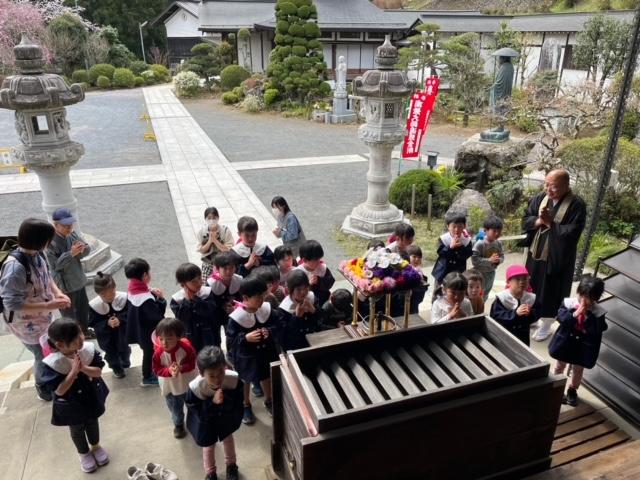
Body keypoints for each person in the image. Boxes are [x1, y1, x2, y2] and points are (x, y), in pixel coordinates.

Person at [0, 218, 71, 401]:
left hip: (42, 316)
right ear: (40, 241)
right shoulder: (15, 268)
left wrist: (57, 293)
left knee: (49, 347)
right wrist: (48, 305)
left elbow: (47, 277)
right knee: (41, 354)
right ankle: (43, 387)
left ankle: (52, 376)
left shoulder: (38, 255)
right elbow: (11, 303)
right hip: (25, 323)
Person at [523, 169, 587, 341]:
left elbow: (573, 231)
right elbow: (527, 217)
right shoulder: (540, 198)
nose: (548, 189)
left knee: (551, 292)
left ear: (566, 186)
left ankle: (547, 324)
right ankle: (533, 316)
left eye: (554, 187)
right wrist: (538, 221)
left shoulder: (576, 205)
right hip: (535, 254)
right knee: (531, 286)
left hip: (557, 258)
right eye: (546, 184)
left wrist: (551, 223)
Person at [40, 318, 110, 473]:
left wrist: (83, 367)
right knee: (77, 428)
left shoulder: (87, 350)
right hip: (71, 403)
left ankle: (96, 446)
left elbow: (98, 372)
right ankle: (83, 453)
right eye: (75, 338)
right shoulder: (53, 363)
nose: (81, 339)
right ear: (59, 345)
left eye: (80, 333)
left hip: (90, 395)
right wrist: (73, 372)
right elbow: (59, 391)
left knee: (92, 421)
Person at [226, 276, 279, 424]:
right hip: (246, 356)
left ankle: (269, 400)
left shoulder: (266, 310)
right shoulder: (236, 318)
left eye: (263, 296)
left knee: (266, 376)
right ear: (245, 298)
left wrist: (270, 331)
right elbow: (231, 340)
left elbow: (278, 324)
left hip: (265, 352)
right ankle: (245, 404)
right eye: (258, 298)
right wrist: (245, 338)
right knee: (245, 380)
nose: (262, 300)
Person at [549, 275, 607, 407]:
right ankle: (556, 386)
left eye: (590, 299)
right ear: (578, 293)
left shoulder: (598, 312)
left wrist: (587, 317)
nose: (585, 301)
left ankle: (572, 390)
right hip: (565, 342)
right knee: (559, 365)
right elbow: (561, 317)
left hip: (583, 346)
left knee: (578, 369)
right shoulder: (569, 303)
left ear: (596, 299)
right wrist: (574, 314)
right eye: (582, 296)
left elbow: (598, 329)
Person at [186, 346, 242, 480]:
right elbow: (196, 411)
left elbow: (238, 401)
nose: (217, 379)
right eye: (211, 375)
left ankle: (231, 465)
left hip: (225, 418)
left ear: (225, 367)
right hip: (206, 422)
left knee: (228, 439)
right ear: (201, 373)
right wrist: (212, 402)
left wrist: (225, 399)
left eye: (221, 373)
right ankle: (211, 472)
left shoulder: (233, 380)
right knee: (208, 446)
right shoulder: (195, 388)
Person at [45, 208, 93, 337]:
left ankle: (85, 331)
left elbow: (86, 250)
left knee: (83, 309)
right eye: (65, 225)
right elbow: (55, 266)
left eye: (70, 224)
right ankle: (72, 336)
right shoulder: (50, 243)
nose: (69, 227)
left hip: (78, 279)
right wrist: (71, 253)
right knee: (68, 314)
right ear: (55, 225)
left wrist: (83, 249)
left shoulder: (72, 234)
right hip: (64, 285)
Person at [152, 317, 198, 439]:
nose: (164, 343)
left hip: (187, 384)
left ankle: (194, 424)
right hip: (171, 387)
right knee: (175, 409)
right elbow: (156, 369)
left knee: (193, 406)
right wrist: (168, 371)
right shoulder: (158, 354)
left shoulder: (186, 348)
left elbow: (192, 363)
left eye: (169, 338)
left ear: (178, 336)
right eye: (161, 339)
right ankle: (178, 425)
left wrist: (181, 368)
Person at [124, 257, 166, 387]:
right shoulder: (145, 299)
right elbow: (157, 316)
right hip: (148, 333)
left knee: (147, 352)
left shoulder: (133, 289)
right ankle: (147, 377)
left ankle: (149, 374)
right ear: (144, 275)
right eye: (149, 272)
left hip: (138, 331)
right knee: (149, 354)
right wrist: (160, 299)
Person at [88, 272, 130, 379]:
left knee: (125, 350)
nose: (109, 297)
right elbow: (93, 322)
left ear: (115, 288)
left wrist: (120, 319)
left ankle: (125, 361)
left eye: (112, 293)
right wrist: (107, 323)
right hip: (107, 336)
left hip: (122, 333)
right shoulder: (94, 306)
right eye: (104, 295)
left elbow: (130, 314)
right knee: (111, 354)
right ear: (98, 293)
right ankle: (117, 368)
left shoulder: (123, 298)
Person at [170, 263, 220, 352]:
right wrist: (187, 301)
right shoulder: (177, 300)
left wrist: (196, 299)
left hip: (210, 334)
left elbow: (210, 311)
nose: (199, 283)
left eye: (199, 278)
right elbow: (182, 318)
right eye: (194, 281)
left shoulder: (207, 292)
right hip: (191, 336)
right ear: (183, 285)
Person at [490, 265, 540, 347]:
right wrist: (515, 313)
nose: (522, 282)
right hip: (505, 335)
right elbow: (496, 316)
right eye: (517, 279)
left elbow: (537, 313)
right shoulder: (502, 298)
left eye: (525, 278)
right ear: (509, 282)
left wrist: (530, 313)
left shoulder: (530, 298)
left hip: (523, 336)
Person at [431, 211, 473, 302]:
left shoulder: (466, 240)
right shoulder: (444, 238)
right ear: (448, 226)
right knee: (438, 292)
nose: (456, 229)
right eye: (454, 226)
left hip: (458, 271)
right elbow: (441, 253)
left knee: (456, 291)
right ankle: (435, 307)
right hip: (442, 272)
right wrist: (450, 247)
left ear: (464, 226)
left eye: (460, 226)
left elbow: (468, 254)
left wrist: (460, 247)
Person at [278, 270, 323, 351]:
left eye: (305, 288)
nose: (303, 292)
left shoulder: (311, 297)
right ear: (290, 290)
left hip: (315, 342)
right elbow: (284, 338)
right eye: (298, 289)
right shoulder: (283, 309)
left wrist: (313, 311)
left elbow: (321, 321)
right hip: (296, 347)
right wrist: (296, 317)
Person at [197, 207, 234, 282]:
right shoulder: (201, 232)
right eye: (209, 218)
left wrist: (215, 241)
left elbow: (227, 249)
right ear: (205, 219)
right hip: (208, 263)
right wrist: (210, 241)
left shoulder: (225, 230)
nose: (212, 220)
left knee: (223, 283)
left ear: (218, 218)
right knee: (207, 284)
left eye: (214, 218)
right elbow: (201, 250)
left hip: (223, 264)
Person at [471, 215, 504, 301]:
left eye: (499, 231)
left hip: (491, 273)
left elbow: (502, 256)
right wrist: (489, 260)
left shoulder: (498, 243)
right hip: (479, 274)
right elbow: (474, 260)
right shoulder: (480, 244)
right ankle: (475, 310)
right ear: (486, 230)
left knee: (486, 294)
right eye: (494, 231)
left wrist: (498, 260)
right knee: (477, 293)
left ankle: (481, 309)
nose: (497, 234)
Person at [296, 240, 335, 306]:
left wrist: (319, 281)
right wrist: (309, 284)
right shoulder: (299, 272)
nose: (319, 261)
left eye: (319, 258)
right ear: (304, 260)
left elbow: (330, 282)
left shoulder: (322, 268)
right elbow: (296, 292)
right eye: (315, 260)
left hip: (324, 300)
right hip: (308, 304)